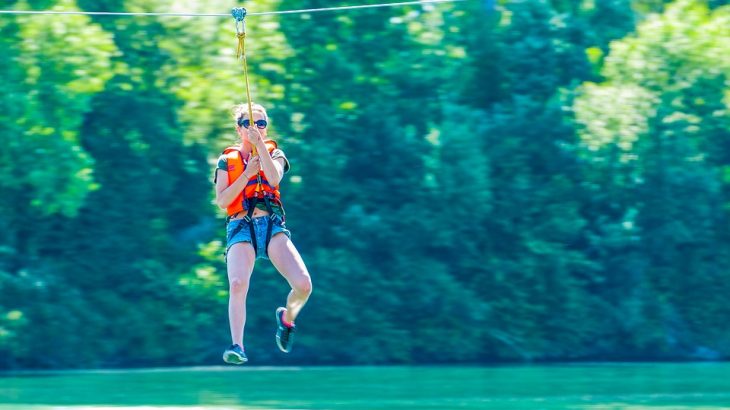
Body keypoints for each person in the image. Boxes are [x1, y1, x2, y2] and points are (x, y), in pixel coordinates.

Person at [214, 102, 313, 364]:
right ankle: (238, 345)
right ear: (239, 129)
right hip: (241, 225)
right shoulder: (227, 161)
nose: (254, 128)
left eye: (260, 124)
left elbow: (273, 179)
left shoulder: (275, 153)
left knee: (303, 285)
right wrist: (246, 173)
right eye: (248, 124)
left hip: (270, 225)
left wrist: (261, 151)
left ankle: (287, 319)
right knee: (237, 283)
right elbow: (223, 200)